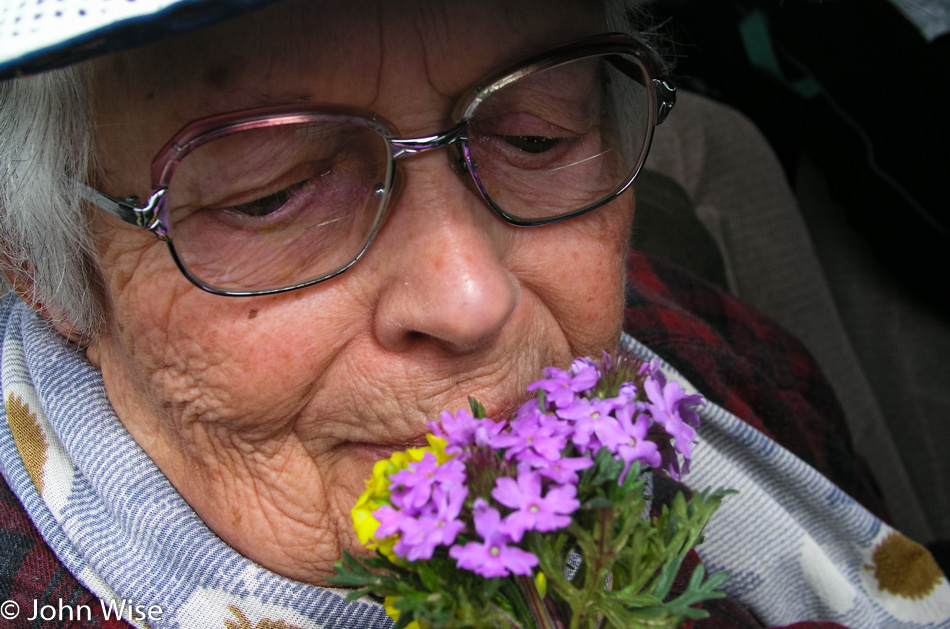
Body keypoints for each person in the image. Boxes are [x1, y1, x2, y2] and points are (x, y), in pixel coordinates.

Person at [0, 0, 947, 627]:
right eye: (271, 196)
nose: (471, 297)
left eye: (537, 134)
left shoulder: (723, 360)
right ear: (40, 266)